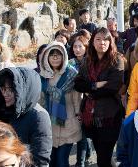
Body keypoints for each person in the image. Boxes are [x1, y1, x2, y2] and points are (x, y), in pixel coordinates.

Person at [74, 27, 124, 167]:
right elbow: (78, 84)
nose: (102, 42)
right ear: (92, 42)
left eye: (106, 39)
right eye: (98, 39)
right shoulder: (87, 61)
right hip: (90, 116)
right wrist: (95, 85)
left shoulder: (117, 60)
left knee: (104, 157)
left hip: (110, 116)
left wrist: (91, 91)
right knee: (100, 154)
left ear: (111, 42)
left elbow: (114, 86)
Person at [0, 67, 52, 166]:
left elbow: (40, 159)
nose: (5, 94)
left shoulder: (39, 116)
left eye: (11, 89)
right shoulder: (3, 110)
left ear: (25, 89)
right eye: (3, 88)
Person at [39, 42, 81, 167]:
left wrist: (78, 114)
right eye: (52, 55)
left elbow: (76, 97)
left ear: (64, 56)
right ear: (46, 57)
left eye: (58, 54)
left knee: (62, 161)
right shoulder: (43, 76)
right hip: (49, 125)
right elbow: (40, 100)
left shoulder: (71, 74)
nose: (55, 57)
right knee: (51, 162)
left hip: (68, 122)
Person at [67, 35, 93, 167]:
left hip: (87, 100)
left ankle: (81, 161)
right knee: (80, 130)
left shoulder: (91, 62)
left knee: (84, 130)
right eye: (75, 46)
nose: (77, 49)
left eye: (80, 46)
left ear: (86, 47)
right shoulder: (70, 63)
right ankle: (83, 157)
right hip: (73, 100)